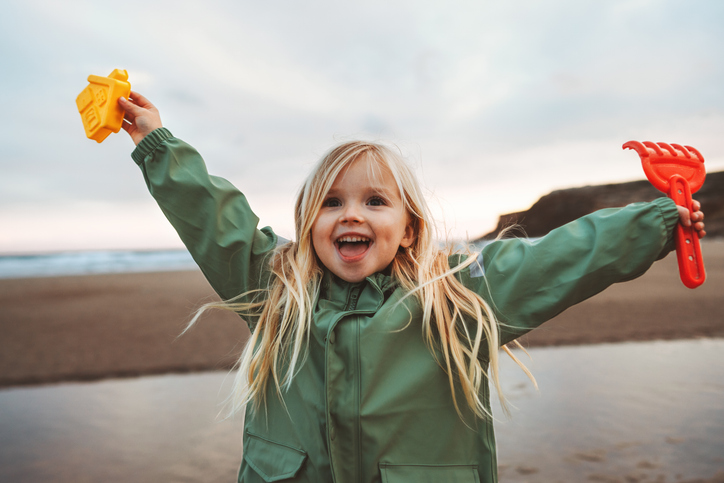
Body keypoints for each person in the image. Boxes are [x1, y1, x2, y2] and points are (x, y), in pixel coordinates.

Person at [118, 92, 706, 483]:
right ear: (307, 226)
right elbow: (218, 224)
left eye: (375, 201)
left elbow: (558, 258)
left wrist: (655, 222)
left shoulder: (455, 296)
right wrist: (156, 142)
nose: (351, 215)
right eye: (331, 202)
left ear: (408, 229)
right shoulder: (277, 289)